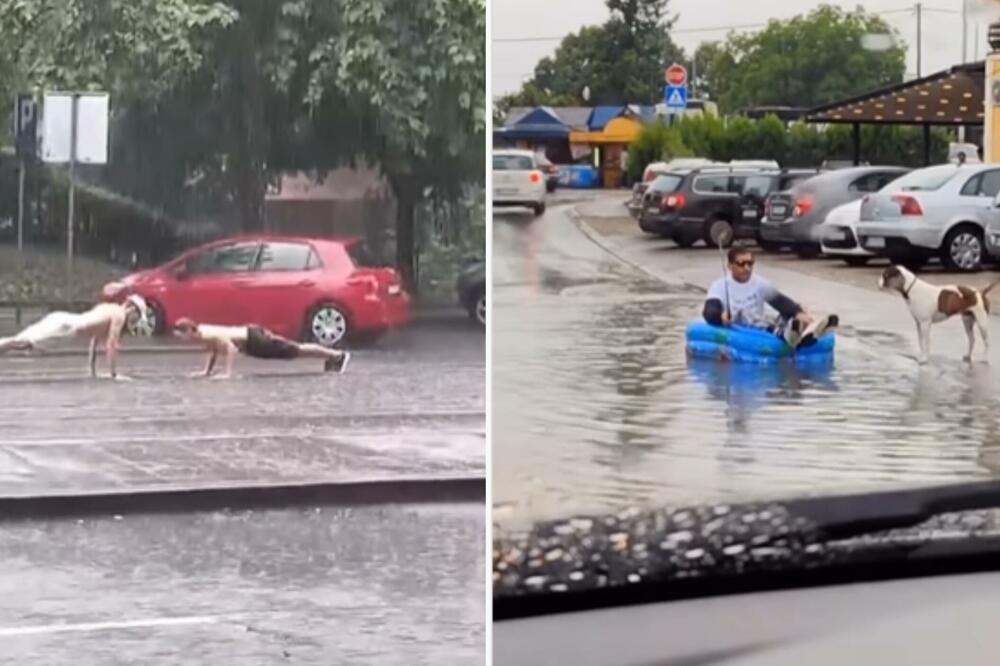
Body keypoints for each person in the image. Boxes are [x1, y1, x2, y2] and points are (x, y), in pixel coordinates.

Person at [703, 247, 838, 348]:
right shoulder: (719, 286)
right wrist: (720, 317)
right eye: (741, 264)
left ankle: (804, 331)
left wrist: (798, 312)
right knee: (755, 320)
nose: (747, 268)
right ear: (730, 266)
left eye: (750, 263)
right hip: (740, 326)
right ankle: (789, 333)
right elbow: (709, 310)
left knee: (792, 312)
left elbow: (780, 301)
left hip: (761, 324)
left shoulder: (759, 283)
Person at [0, 295, 151, 380]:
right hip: (67, 328)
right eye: (136, 316)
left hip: (63, 319)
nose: (134, 320)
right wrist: (114, 375)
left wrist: (92, 370)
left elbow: (94, 340)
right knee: (23, 342)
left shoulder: (108, 308)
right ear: (131, 309)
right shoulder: (119, 315)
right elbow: (111, 345)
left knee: (22, 341)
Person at [171, 318, 350, 379]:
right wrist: (206, 372)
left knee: (296, 350)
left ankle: (336, 355)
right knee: (295, 351)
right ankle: (333, 357)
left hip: (255, 340)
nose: (180, 339)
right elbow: (214, 350)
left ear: (189, 330)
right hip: (251, 341)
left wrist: (227, 373)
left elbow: (230, 348)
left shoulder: (206, 334)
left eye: (181, 335)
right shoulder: (202, 333)